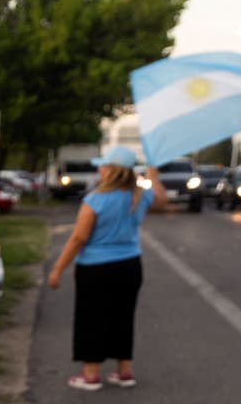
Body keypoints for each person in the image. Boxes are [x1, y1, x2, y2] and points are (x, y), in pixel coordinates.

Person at [47, 145, 167, 391]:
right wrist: (153, 176)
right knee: (123, 316)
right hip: (130, 265)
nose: (99, 170)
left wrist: (57, 268)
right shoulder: (138, 197)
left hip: (96, 268)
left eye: (103, 166)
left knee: (92, 318)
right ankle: (124, 371)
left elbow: (79, 238)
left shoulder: (95, 200)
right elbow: (162, 200)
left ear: (111, 171)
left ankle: (90, 374)